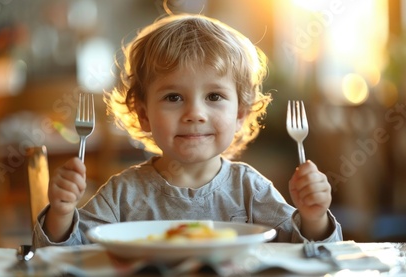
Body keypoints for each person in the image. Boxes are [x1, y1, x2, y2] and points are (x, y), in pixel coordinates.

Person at [33, 13, 342, 247]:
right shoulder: (122, 195)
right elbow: (67, 255)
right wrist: (61, 212)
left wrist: (314, 217)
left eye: (214, 97)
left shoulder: (250, 189)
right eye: (174, 97)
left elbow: (308, 252)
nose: (195, 113)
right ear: (143, 114)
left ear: (240, 114)